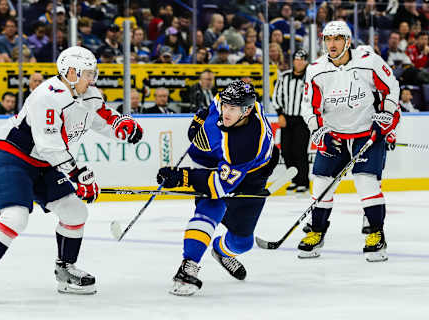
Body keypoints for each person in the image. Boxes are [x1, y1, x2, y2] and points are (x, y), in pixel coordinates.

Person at [0, 46, 143, 303]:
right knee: (16, 216)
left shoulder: (89, 94)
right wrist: (77, 175)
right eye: (88, 73)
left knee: (75, 211)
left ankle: (65, 270)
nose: (93, 78)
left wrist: (121, 126)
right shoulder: (47, 95)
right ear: (70, 73)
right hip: (14, 157)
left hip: (45, 164)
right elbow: (49, 145)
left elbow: (102, 117)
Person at [157, 80, 279, 296]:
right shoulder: (232, 102)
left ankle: (220, 251)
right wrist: (201, 118)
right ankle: (189, 265)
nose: (225, 112)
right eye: (225, 106)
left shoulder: (245, 144)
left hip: (251, 174)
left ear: (247, 110)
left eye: (232, 109)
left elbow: (217, 186)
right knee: (210, 207)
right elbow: (212, 107)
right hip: (213, 159)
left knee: (242, 242)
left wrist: (181, 177)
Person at [300, 21, 400, 262]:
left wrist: (386, 117)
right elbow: (309, 106)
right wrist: (318, 131)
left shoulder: (369, 61)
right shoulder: (316, 70)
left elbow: (391, 88)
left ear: (347, 41)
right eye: (327, 39)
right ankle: (317, 231)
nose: (331, 44)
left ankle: (376, 233)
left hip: (366, 133)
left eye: (337, 39)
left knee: (366, 182)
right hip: (334, 135)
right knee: (322, 183)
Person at [272, 49, 310, 194]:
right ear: (293, 61)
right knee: (286, 151)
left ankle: (303, 182)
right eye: (297, 59)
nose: (299, 62)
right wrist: (280, 114)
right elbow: (276, 96)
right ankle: (294, 179)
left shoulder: (310, 78)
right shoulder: (284, 76)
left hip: (303, 119)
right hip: (287, 118)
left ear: (306, 62)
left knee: (300, 151)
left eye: (302, 59)